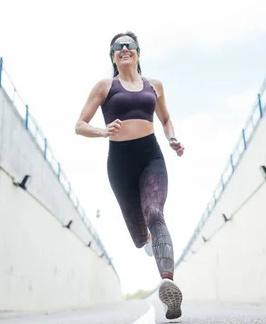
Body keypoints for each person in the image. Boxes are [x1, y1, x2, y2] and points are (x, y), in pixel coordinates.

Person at [75, 31, 184, 319]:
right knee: (138, 236)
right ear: (113, 56)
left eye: (130, 45)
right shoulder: (104, 86)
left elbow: (166, 119)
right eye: (118, 47)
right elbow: (79, 124)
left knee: (155, 212)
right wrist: (102, 131)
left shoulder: (154, 85)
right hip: (120, 163)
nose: (124, 49)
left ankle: (168, 283)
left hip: (151, 157)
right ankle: (147, 241)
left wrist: (172, 139)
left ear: (138, 52)